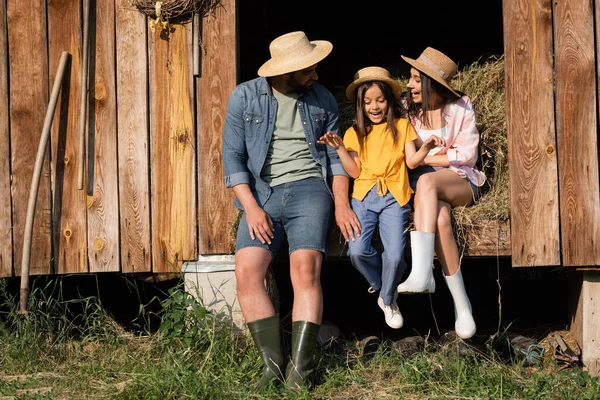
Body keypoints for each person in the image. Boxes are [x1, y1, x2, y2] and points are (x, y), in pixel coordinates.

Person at [221, 31, 360, 390]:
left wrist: (341, 204)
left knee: (305, 271)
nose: (315, 75)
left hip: (310, 190)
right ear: (287, 71)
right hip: (262, 194)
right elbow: (233, 159)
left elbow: (335, 159)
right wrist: (251, 207)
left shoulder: (323, 99)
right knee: (246, 272)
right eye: (309, 69)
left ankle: (301, 371)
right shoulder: (245, 97)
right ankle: (273, 366)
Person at [318, 67, 443, 329]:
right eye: (367, 102)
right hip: (363, 197)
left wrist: (427, 148)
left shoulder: (401, 126)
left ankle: (386, 299)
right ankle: (386, 289)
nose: (374, 107)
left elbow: (411, 162)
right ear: (360, 106)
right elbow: (353, 171)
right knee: (357, 252)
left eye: (380, 100)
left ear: (389, 101)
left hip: (394, 197)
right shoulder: (354, 133)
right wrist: (340, 147)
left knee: (396, 257)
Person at [396, 47, 487, 340]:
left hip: (460, 181)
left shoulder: (461, 106)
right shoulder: (406, 109)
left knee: (426, 183)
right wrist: (440, 154)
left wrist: (423, 158)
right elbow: (401, 153)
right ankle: (463, 306)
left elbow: (467, 155)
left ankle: (422, 272)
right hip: (427, 191)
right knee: (442, 221)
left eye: (414, 79)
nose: (409, 85)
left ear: (431, 83)